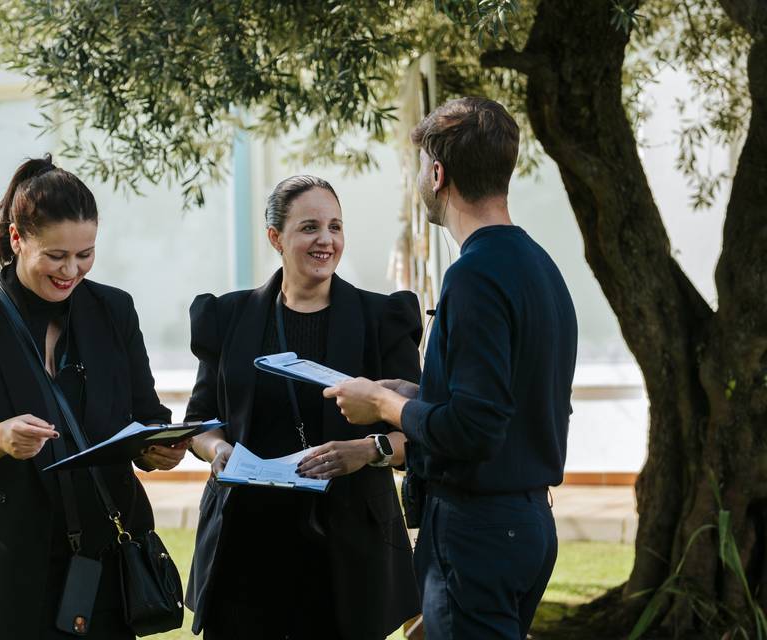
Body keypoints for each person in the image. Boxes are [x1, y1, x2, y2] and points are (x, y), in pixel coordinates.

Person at [324, 97, 578, 640]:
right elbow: (511, 401)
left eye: (420, 167)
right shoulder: (540, 266)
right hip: (527, 523)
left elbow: (474, 427)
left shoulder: (474, 277)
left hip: (477, 532)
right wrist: (419, 390)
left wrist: (383, 405)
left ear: (437, 174)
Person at [0, 155, 187, 640]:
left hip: (107, 561)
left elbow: (146, 416)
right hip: (7, 569)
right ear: (17, 239)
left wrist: (161, 449)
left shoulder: (114, 310)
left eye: (86, 254)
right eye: (57, 256)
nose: (72, 270)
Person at [183, 175, 422, 640]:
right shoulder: (227, 318)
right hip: (245, 548)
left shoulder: (383, 320)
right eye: (309, 227)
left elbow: (418, 432)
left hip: (347, 551)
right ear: (275, 237)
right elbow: (199, 422)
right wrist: (217, 452)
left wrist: (368, 450)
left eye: (335, 226)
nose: (326, 240)